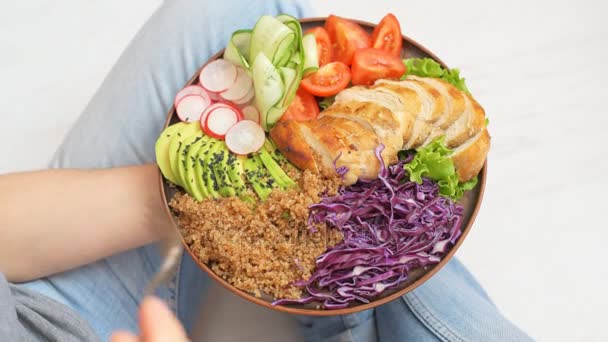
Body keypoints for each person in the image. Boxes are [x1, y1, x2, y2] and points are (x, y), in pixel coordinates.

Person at [0, 1, 533, 341]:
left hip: (32, 305)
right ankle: (352, 311)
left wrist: (187, 199)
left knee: (241, 10)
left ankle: (349, 305)